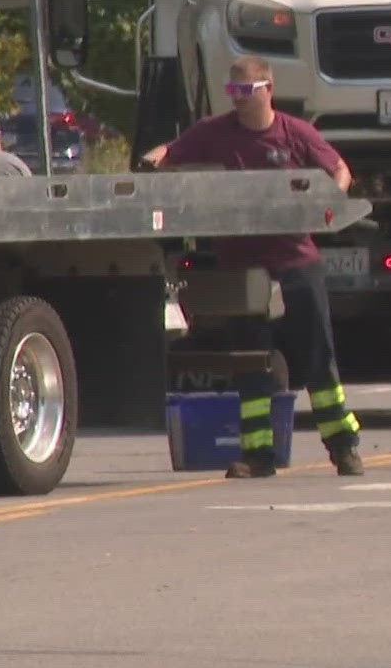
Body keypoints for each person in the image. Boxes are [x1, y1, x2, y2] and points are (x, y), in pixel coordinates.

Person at [140, 56, 365, 477]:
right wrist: (152, 161)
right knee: (251, 362)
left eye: (247, 91)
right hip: (243, 270)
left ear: (268, 89)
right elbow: (172, 152)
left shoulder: (294, 133)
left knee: (318, 358)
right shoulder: (215, 133)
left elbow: (339, 169)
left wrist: (329, 202)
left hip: (296, 263)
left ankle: (344, 448)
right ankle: (259, 454)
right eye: (233, 92)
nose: (240, 101)